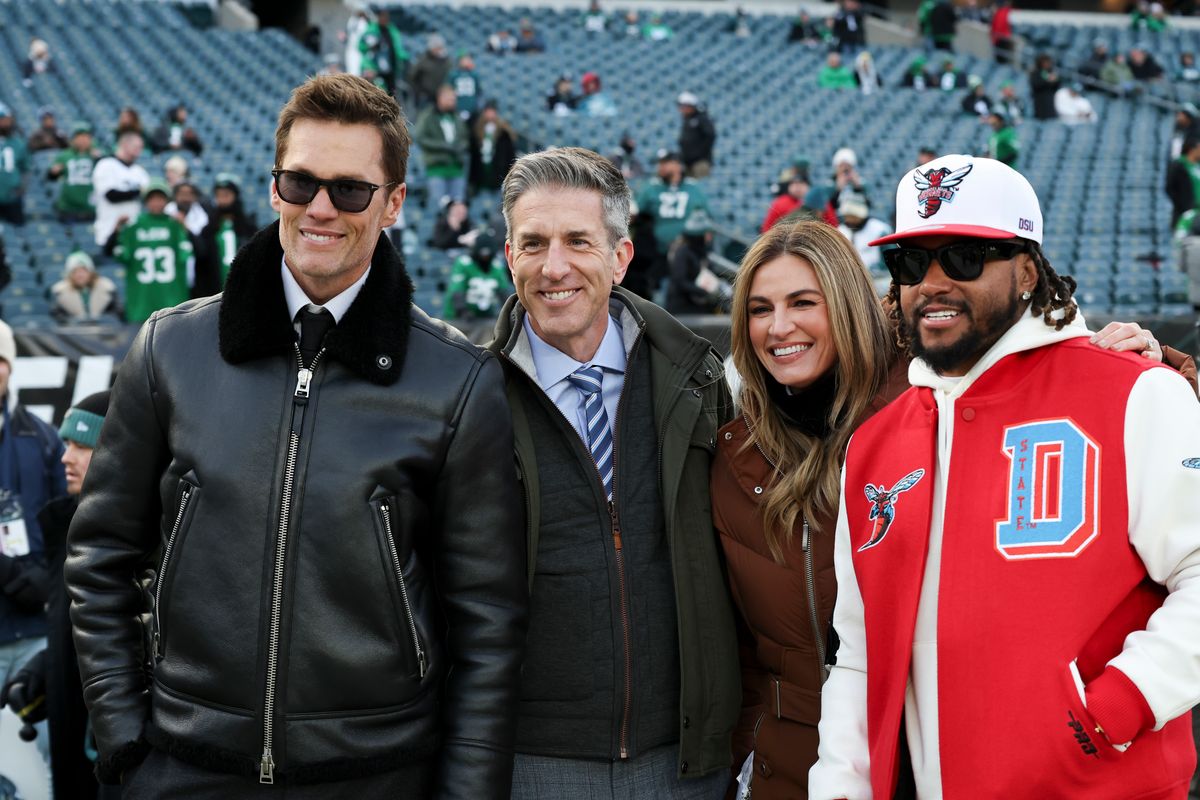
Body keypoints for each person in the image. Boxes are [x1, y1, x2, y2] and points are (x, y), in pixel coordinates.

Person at [65, 72, 527, 796]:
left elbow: (488, 624)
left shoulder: (456, 382)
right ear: (274, 187)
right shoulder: (169, 349)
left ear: (395, 203)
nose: (320, 208)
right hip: (185, 770)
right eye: (300, 183)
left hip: (375, 775)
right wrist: (124, 742)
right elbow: (100, 558)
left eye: (350, 189)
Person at [809, 154, 1200, 799]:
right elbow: (858, 651)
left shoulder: (1133, 393)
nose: (932, 282)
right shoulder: (875, 445)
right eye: (911, 263)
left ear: (1025, 271)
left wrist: (1121, 704)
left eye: (963, 256)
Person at [487, 145, 738, 799]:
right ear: (510, 255)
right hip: (530, 762)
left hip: (682, 761)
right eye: (533, 243)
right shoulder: (468, 400)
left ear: (621, 256)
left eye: (578, 241)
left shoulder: (697, 379)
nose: (555, 266)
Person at [713, 219, 908, 800]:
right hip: (786, 766)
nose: (779, 328)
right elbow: (747, 655)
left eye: (803, 303)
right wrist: (746, 757)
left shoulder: (926, 412)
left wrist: (1164, 363)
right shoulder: (734, 454)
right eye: (759, 309)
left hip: (915, 758)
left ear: (847, 306)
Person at [1, 392, 110, 800]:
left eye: (82, 447)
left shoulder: (145, 538)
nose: (66, 457)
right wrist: (49, 668)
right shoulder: (70, 527)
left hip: (114, 765)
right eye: (66, 444)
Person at [0, 318, 67, 783]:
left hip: (33, 629)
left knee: (37, 764)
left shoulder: (42, 437)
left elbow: (68, 519)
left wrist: (49, 578)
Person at [110, 178, 194, 323]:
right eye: (152, 199)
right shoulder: (133, 226)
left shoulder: (175, 226)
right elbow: (121, 256)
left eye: (160, 199)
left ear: (167, 201)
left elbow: (186, 254)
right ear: (146, 201)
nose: (156, 203)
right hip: (142, 299)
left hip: (171, 297)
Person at [636, 150, 711, 270]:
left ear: (677, 165)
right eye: (659, 163)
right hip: (657, 250)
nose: (660, 167)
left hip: (687, 248)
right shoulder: (651, 187)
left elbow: (706, 216)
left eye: (664, 163)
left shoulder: (692, 187)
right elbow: (635, 211)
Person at [192, 172, 257, 295]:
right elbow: (201, 260)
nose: (222, 200)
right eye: (219, 195)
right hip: (214, 292)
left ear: (235, 196)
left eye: (226, 195)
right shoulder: (209, 229)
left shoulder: (248, 227)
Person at [415, 85, 470, 209]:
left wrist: (460, 147)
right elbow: (420, 137)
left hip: (456, 168)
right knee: (438, 207)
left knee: (457, 206)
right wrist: (444, 146)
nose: (453, 102)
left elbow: (465, 138)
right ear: (440, 98)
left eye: (454, 99)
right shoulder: (428, 115)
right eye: (450, 99)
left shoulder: (457, 117)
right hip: (436, 168)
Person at [91, 130, 149, 247]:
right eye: (136, 147)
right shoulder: (106, 165)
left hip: (134, 233)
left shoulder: (140, 171)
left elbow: (148, 196)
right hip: (109, 230)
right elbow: (111, 195)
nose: (139, 151)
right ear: (124, 144)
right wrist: (138, 192)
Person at [442, 229, 511, 320]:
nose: (485, 259)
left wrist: (508, 313)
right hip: (458, 318)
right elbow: (457, 291)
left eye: (487, 256)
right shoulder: (464, 263)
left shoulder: (496, 266)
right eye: (482, 256)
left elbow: (503, 293)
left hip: (484, 316)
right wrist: (463, 311)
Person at [665, 209, 722, 315]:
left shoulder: (702, 253)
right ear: (698, 235)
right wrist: (702, 291)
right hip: (681, 308)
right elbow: (680, 281)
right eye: (707, 233)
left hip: (697, 306)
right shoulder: (683, 253)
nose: (710, 236)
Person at [468, 99, 518, 215]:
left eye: (492, 111)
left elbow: (510, 155)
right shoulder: (476, 131)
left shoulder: (503, 133)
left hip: (498, 176)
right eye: (488, 111)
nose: (490, 114)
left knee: (497, 208)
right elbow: (473, 156)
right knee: (481, 208)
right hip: (481, 176)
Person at [47, 122, 101, 223]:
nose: (83, 140)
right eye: (80, 136)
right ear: (73, 139)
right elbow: (51, 177)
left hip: (91, 207)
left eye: (86, 136)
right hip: (68, 208)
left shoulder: (97, 155)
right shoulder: (65, 155)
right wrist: (53, 172)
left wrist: (99, 159)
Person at [49, 251, 119, 323]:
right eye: (75, 271)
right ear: (70, 275)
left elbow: (115, 314)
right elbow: (57, 317)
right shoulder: (59, 292)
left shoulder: (107, 288)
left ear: (91, 272)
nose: (80, 275)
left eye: (84, 271)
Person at [359, 8, 408, 97]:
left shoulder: (391, 29)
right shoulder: (371, 30)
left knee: (392, 94)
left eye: (386, 16)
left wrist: (403, 57)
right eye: (383, 16)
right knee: (378, 94)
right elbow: (363, 48)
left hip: (391, 69)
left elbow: (397, 47)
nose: (385, 19)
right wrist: (369, 66)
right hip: (376, 69)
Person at [0, 105, 30, 226]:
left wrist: (21, 189)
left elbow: (26, 169)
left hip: (12, 198)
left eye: (8, 120)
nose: (6, 123)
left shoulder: (18, 143)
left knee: (17, 231)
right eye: (3, 119)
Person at [677, 92, 716, 178]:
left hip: (700, 162)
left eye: (684, 106)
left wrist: (699, 154)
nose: (681, 109)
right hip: (687, 162)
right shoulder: (687, 121)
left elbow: (710, 136)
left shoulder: (701, 119)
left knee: (699, 186)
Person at [762, 167, 812, 233]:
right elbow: (766, 229)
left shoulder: (814, 203)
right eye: (794, 184)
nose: (798, 187)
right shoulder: (780, 203)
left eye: (801, 184)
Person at [409, 34, 452, 108]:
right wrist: (418, 91)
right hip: (425, 96)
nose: (439, 50)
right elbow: (412, 75)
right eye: (437, 47)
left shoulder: (446, 61)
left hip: (440, 96)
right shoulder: (423, 59)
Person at [1167, 136, 1200, 227]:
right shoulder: (1179, 165)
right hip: (1185, 211)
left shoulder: (1198, 166)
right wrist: (1184, 206)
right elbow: (1170, 188)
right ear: (1192, 149)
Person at [448, 52, 482, 120]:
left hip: (471, 107)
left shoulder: (474, 75)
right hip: (457, 106)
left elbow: (478, 90)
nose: (467, 61)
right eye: (465, 59)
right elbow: (447, 89)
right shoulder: (453, 75)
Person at [1030, 53, 1061, 119]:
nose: (1047, 64)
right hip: (1040, 101)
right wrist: (1048, 81)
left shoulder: (1051, 72)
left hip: (1050, 101)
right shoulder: (1036, 73)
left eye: (1048, 62)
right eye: (1045, 62)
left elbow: (1057, 86)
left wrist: (1055, 80)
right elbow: (1036, 85)